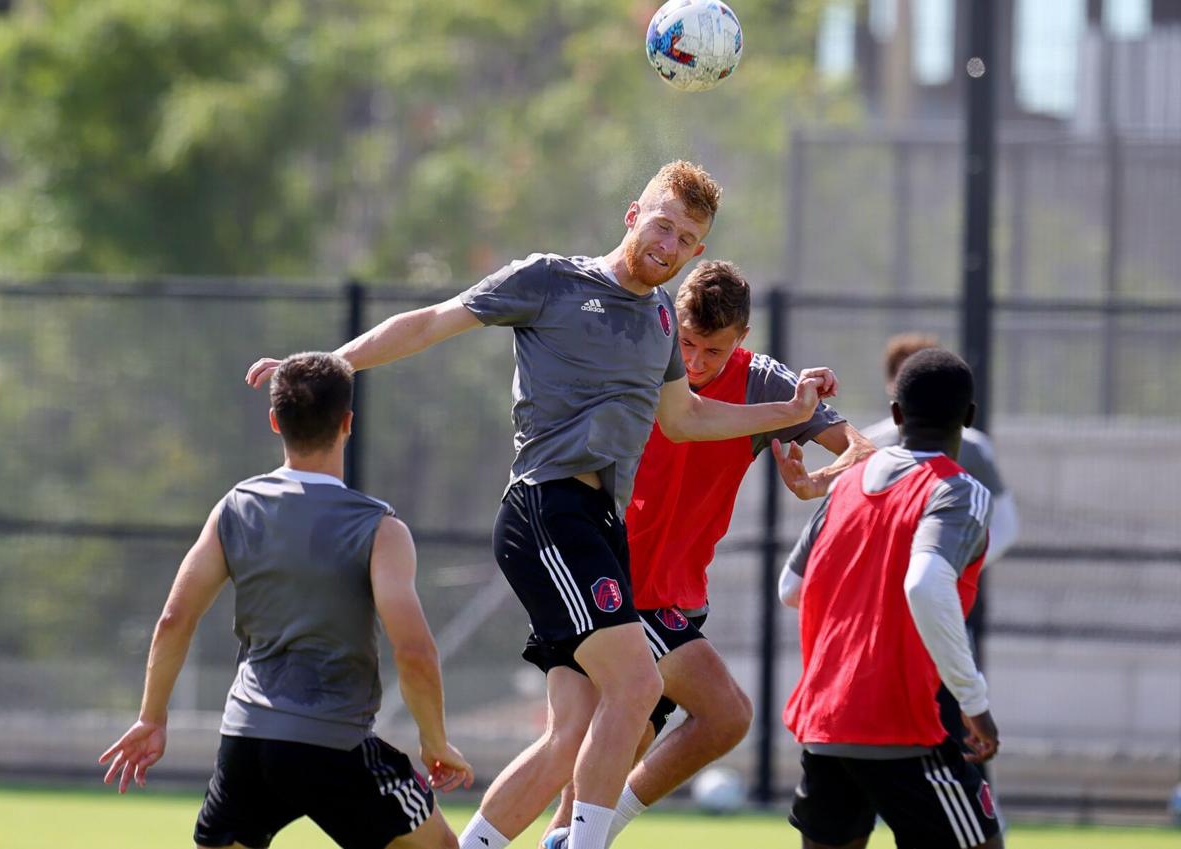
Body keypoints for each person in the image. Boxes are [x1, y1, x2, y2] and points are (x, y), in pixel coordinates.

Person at [244, 160, 836, 849]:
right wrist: (329, 363)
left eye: (686, 238)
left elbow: (687, 418)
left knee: (570, 733)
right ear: (632, 214)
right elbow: (433, 321)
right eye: (663, 224)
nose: (669, 245)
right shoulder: (552, 280)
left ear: (698, 251)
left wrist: (786, 411)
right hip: (547, 508)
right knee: (639, 686)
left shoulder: (656, 324)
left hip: (594, 527)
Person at [537, 260, 874, 849]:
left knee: (613, 747)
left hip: (680, 598)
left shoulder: (765, 384)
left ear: (741, 339)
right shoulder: (642, 358)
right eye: (686, 343)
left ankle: (561, 840)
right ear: (670, 323)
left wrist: (814, 483)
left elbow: (863, 451)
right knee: (726, 715)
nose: (693, 363)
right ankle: (572, 839)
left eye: (711, 352)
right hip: (615, 585)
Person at [100, 352, 472, 849]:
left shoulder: (235, 507)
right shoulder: (380, 528)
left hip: (247, 741)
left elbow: (174, 618)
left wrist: (151, 717)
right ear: (348, 423)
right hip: (334, 744)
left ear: (275, 421)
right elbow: (414, 652)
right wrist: (434, 740)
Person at [779, 347, 1003, 849]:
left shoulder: (847, 486)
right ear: (968, 418)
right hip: (908, 722)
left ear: (896, 415)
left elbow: (790, 588)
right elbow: (924, 583)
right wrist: (974, 701)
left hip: (827, 720)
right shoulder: (960, 491)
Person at [862, 332, 1018, 759]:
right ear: (894, 392)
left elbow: (1004, 527)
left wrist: (952, 563)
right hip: (879, 612)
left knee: (950, 728)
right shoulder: (869, 450)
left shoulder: (973, 456)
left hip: (941, 599)